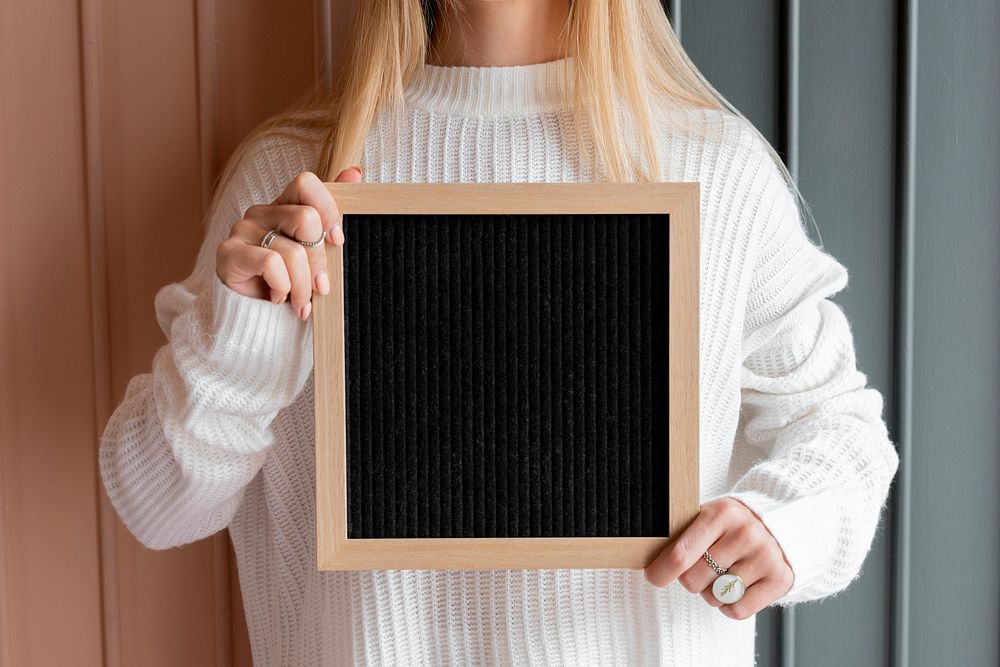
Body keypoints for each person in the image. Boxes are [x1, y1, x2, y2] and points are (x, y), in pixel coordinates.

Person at [98, 0, 900, 664]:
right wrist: (239, 344)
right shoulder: (295, 180)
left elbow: (839, 434)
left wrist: (783, 523)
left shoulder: (715, 170)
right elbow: (158, 505)